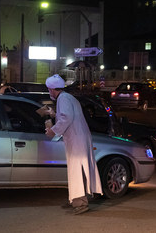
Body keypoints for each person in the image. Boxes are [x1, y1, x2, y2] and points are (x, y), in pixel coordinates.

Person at [44, 74, 103, 215]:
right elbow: (67, 115)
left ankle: (80, 203)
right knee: (81, 170)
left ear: (52, 89)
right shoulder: (68, 97)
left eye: (49, 89)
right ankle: (79, 199)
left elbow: (66, 117)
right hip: (80, 138)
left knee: (76, 171)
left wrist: (53, 131)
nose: (49, 92)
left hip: (76, 141)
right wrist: (54, 114)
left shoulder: (63, 99)